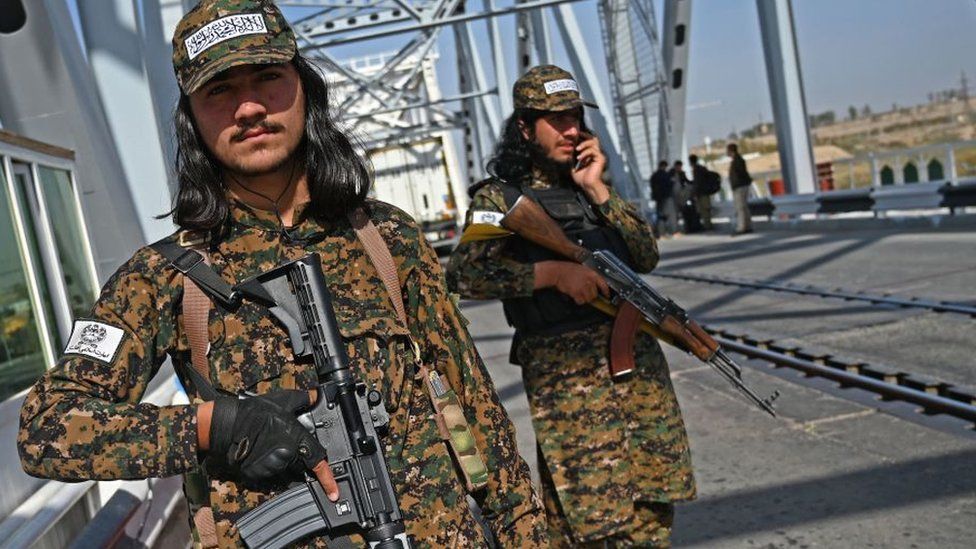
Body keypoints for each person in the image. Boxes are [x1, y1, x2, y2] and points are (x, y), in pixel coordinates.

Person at [17, 1, 547, 547]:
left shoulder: (388, 238)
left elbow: (478, 408)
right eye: (218, 90)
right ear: (192, 117)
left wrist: (526, 535)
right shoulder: (162, 278)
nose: (248, 107)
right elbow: (46, 429)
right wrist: (214, 426)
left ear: (305, 89)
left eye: (268, 78)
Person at [446, 65, 695, 548]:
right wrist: (552, 274)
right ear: (524, 127)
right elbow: (464, 273)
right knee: (585, 512)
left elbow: (646, 255)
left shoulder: (590, 190)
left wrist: (599, 188)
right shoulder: (501, 200)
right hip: (569, 379)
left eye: (575, 116)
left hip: (635, 371)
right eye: (555, 119)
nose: (571, 129)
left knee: (651, 499)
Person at [727, 142, 754, 235]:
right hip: (742, 186)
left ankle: (741, 227)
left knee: (740, 208)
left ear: (731, 151)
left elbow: (741, 173)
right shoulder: (738, 160)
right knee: (744, 207)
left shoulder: (737, 161)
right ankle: (748, 226)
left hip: (739, 187)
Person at [669, 160, 701, 233]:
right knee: (675, 213)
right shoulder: (671, 173)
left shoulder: (682, 173)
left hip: (682, 196)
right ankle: (676, 229)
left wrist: (694, 182)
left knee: (685, 212)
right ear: (676, 166)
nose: (680, 168)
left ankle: (687, 228)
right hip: (674, 197)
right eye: (679, 167)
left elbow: (687, 181)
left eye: (681, 167)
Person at [649, 160, 677, 237]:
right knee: (667, 215)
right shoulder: (665, 175)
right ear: (664, 166)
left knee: (659, 215)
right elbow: (669, 185)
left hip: (658, 198)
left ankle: (660, 232)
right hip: (666, 197)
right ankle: (668, 232)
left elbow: (652, 186)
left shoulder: (654, 175)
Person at [688, 154, 714, 231]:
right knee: (705, 209)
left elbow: (697, 183)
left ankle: (708, 226)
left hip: (702, 193)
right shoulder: (701, 168)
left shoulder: (697, 170)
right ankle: (708, 225)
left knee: (704, 210)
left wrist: (694, 194)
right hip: (704, 192)